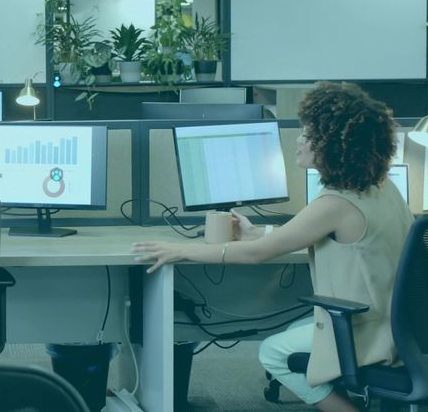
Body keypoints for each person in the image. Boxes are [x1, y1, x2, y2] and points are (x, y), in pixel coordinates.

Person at [131, 82, 412, 412]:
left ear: (335, 145)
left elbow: (257, 255)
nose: (299, 140)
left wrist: (181, 250)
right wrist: (257, 234)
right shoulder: (381, 188)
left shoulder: (335, 203)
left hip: (369, 332)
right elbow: (297, 236)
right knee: (295, 329)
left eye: (309, 135)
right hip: (400, 324)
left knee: (273, 352)